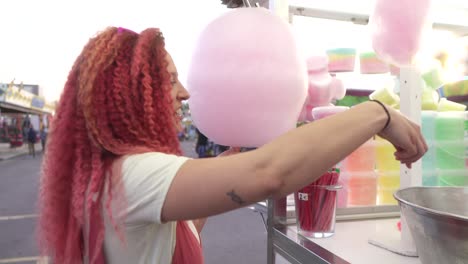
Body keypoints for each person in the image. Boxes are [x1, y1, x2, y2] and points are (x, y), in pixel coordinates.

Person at [37, 27, 427, 264]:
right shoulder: (132, 173)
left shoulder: (116, 175)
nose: (184, 93)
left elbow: (181, 226)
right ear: (132, 95)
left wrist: (229, 163)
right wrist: (377, 114)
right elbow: (269, 174)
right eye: (169, 81)